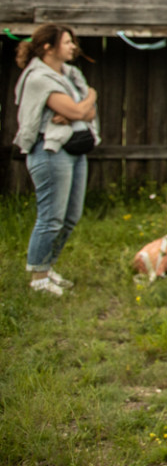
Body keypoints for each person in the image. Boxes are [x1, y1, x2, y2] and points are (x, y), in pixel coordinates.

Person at [12, 24, 98, 297]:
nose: (73, 46)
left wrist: (83, 105)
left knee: (70, 217)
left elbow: (88, 111)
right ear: (48, 47)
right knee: (51, 217)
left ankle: (48, 269)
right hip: (50, 152)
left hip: (73, 150)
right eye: (67, 42)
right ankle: (38, 277)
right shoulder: (38, 77)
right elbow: (80, 108)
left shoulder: (71, 75)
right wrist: (83, 104)